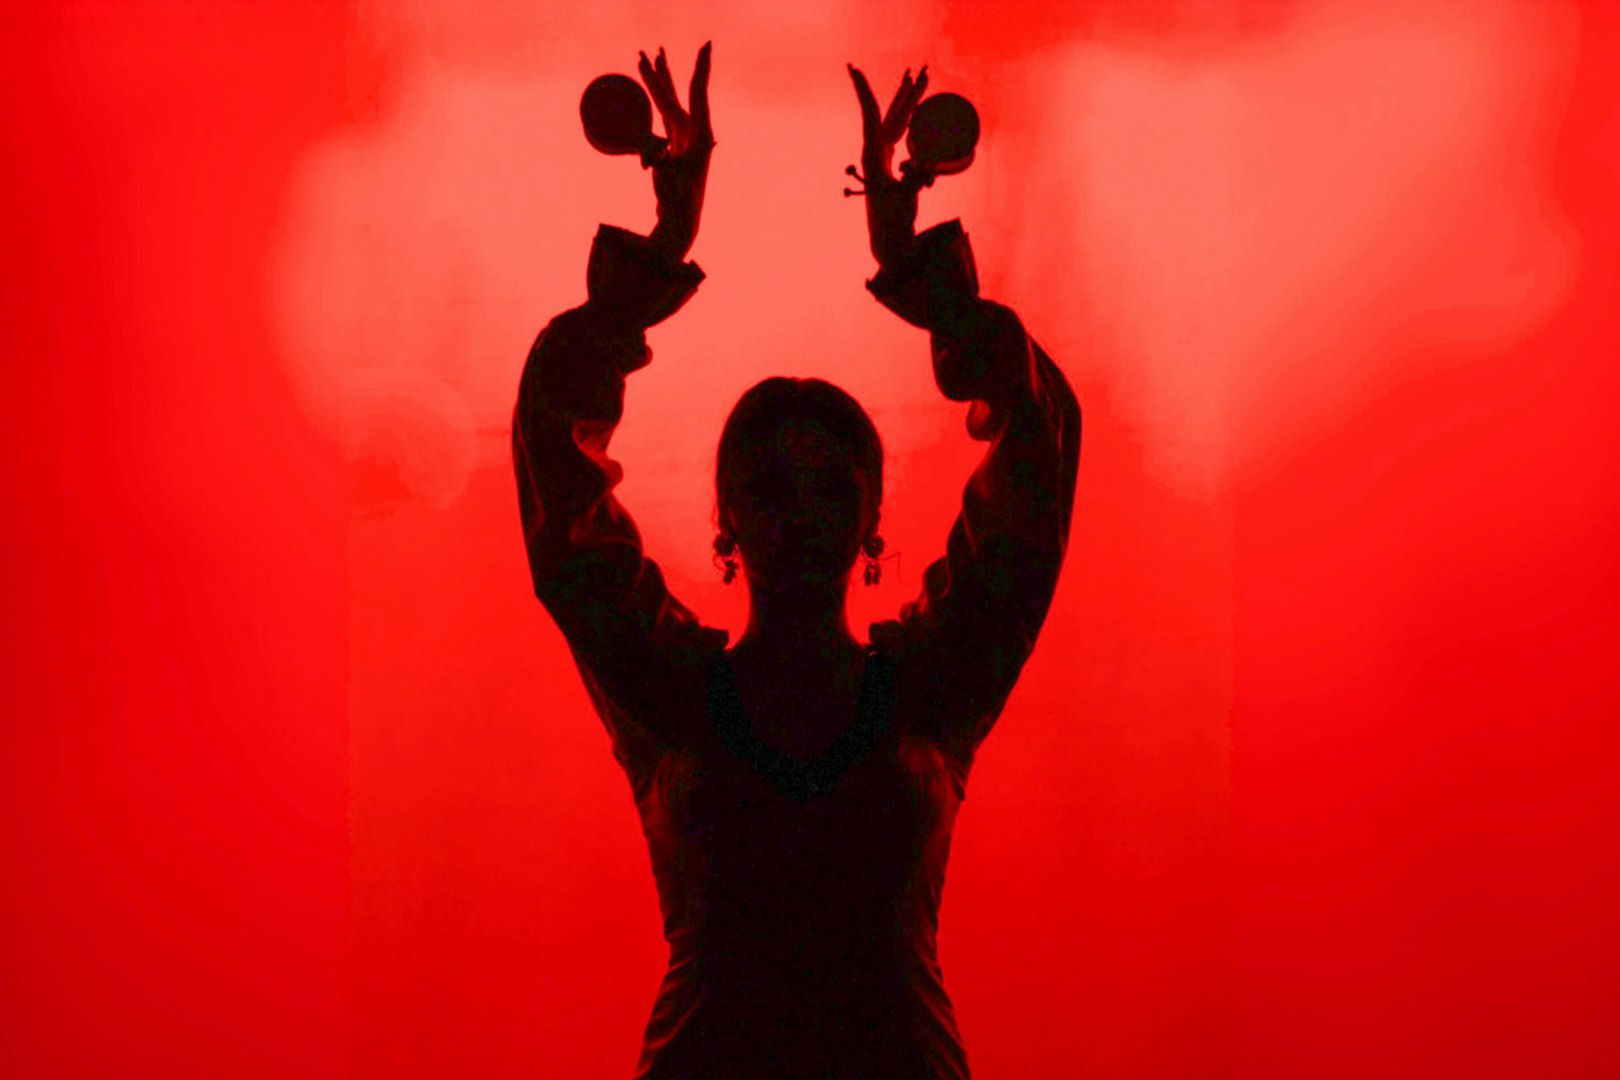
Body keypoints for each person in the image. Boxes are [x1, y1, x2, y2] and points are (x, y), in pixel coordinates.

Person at [512, 43, 1081, 1080]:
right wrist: (650, 261)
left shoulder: (927, 693)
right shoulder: (672, 696)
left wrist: (939, 293)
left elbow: (1035, 481)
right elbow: (563, 512)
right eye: (770, 488)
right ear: (724, 522)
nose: (802, 515)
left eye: (833, 489)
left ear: (873, 525)